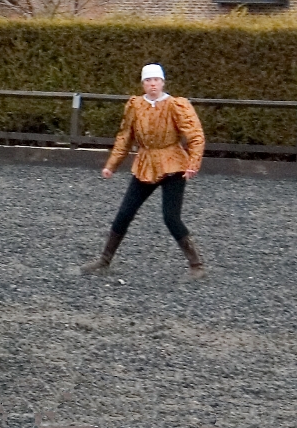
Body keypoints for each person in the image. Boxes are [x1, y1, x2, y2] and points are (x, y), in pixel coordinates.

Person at [82, 63, 207, 278]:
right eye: (148, 80)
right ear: (143, 83)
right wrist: (111, 165)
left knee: (171, 217)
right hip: (145, 165)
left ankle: (196, 265)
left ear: (162, 82)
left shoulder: (175, 105)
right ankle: (105, 259)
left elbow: (196, 135)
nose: (152, 84)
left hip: (173, 166)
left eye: (156, 80)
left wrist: (192, 164)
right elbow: (125, 137)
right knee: (124, 213)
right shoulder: (135, 106)